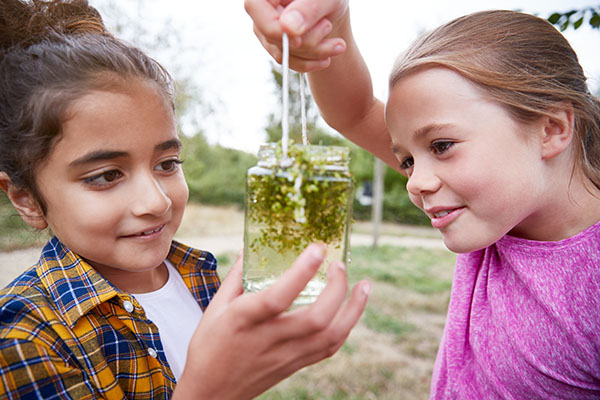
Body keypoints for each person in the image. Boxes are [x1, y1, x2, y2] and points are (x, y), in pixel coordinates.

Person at [0, 1, 371, 398]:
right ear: (26, 199)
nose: (156, 202)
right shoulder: (24, 338)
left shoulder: (200, 276)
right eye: (107, 176)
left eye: (167, 163)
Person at [245, 1, 600, 398]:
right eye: (408, 160)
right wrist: (332, 18)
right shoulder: (499, 212)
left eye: (442, 145)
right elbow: (356, 113)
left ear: (551, 129)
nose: (415, 182)